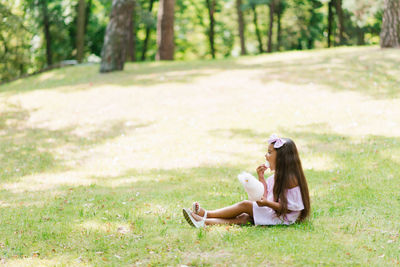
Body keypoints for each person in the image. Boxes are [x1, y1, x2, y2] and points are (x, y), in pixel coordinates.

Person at [182, 134, 310, 227]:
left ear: (282, 158)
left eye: (270, 153)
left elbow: (290, 208)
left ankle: (207, 215)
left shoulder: (290, 179)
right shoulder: (277, 176)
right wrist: (261, 179)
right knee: (244, 218)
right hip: (277, 213)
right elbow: (265, 197)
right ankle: (204, 222)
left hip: (285, 218)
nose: (266, 155)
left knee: (245, 205)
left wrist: (267, 204)